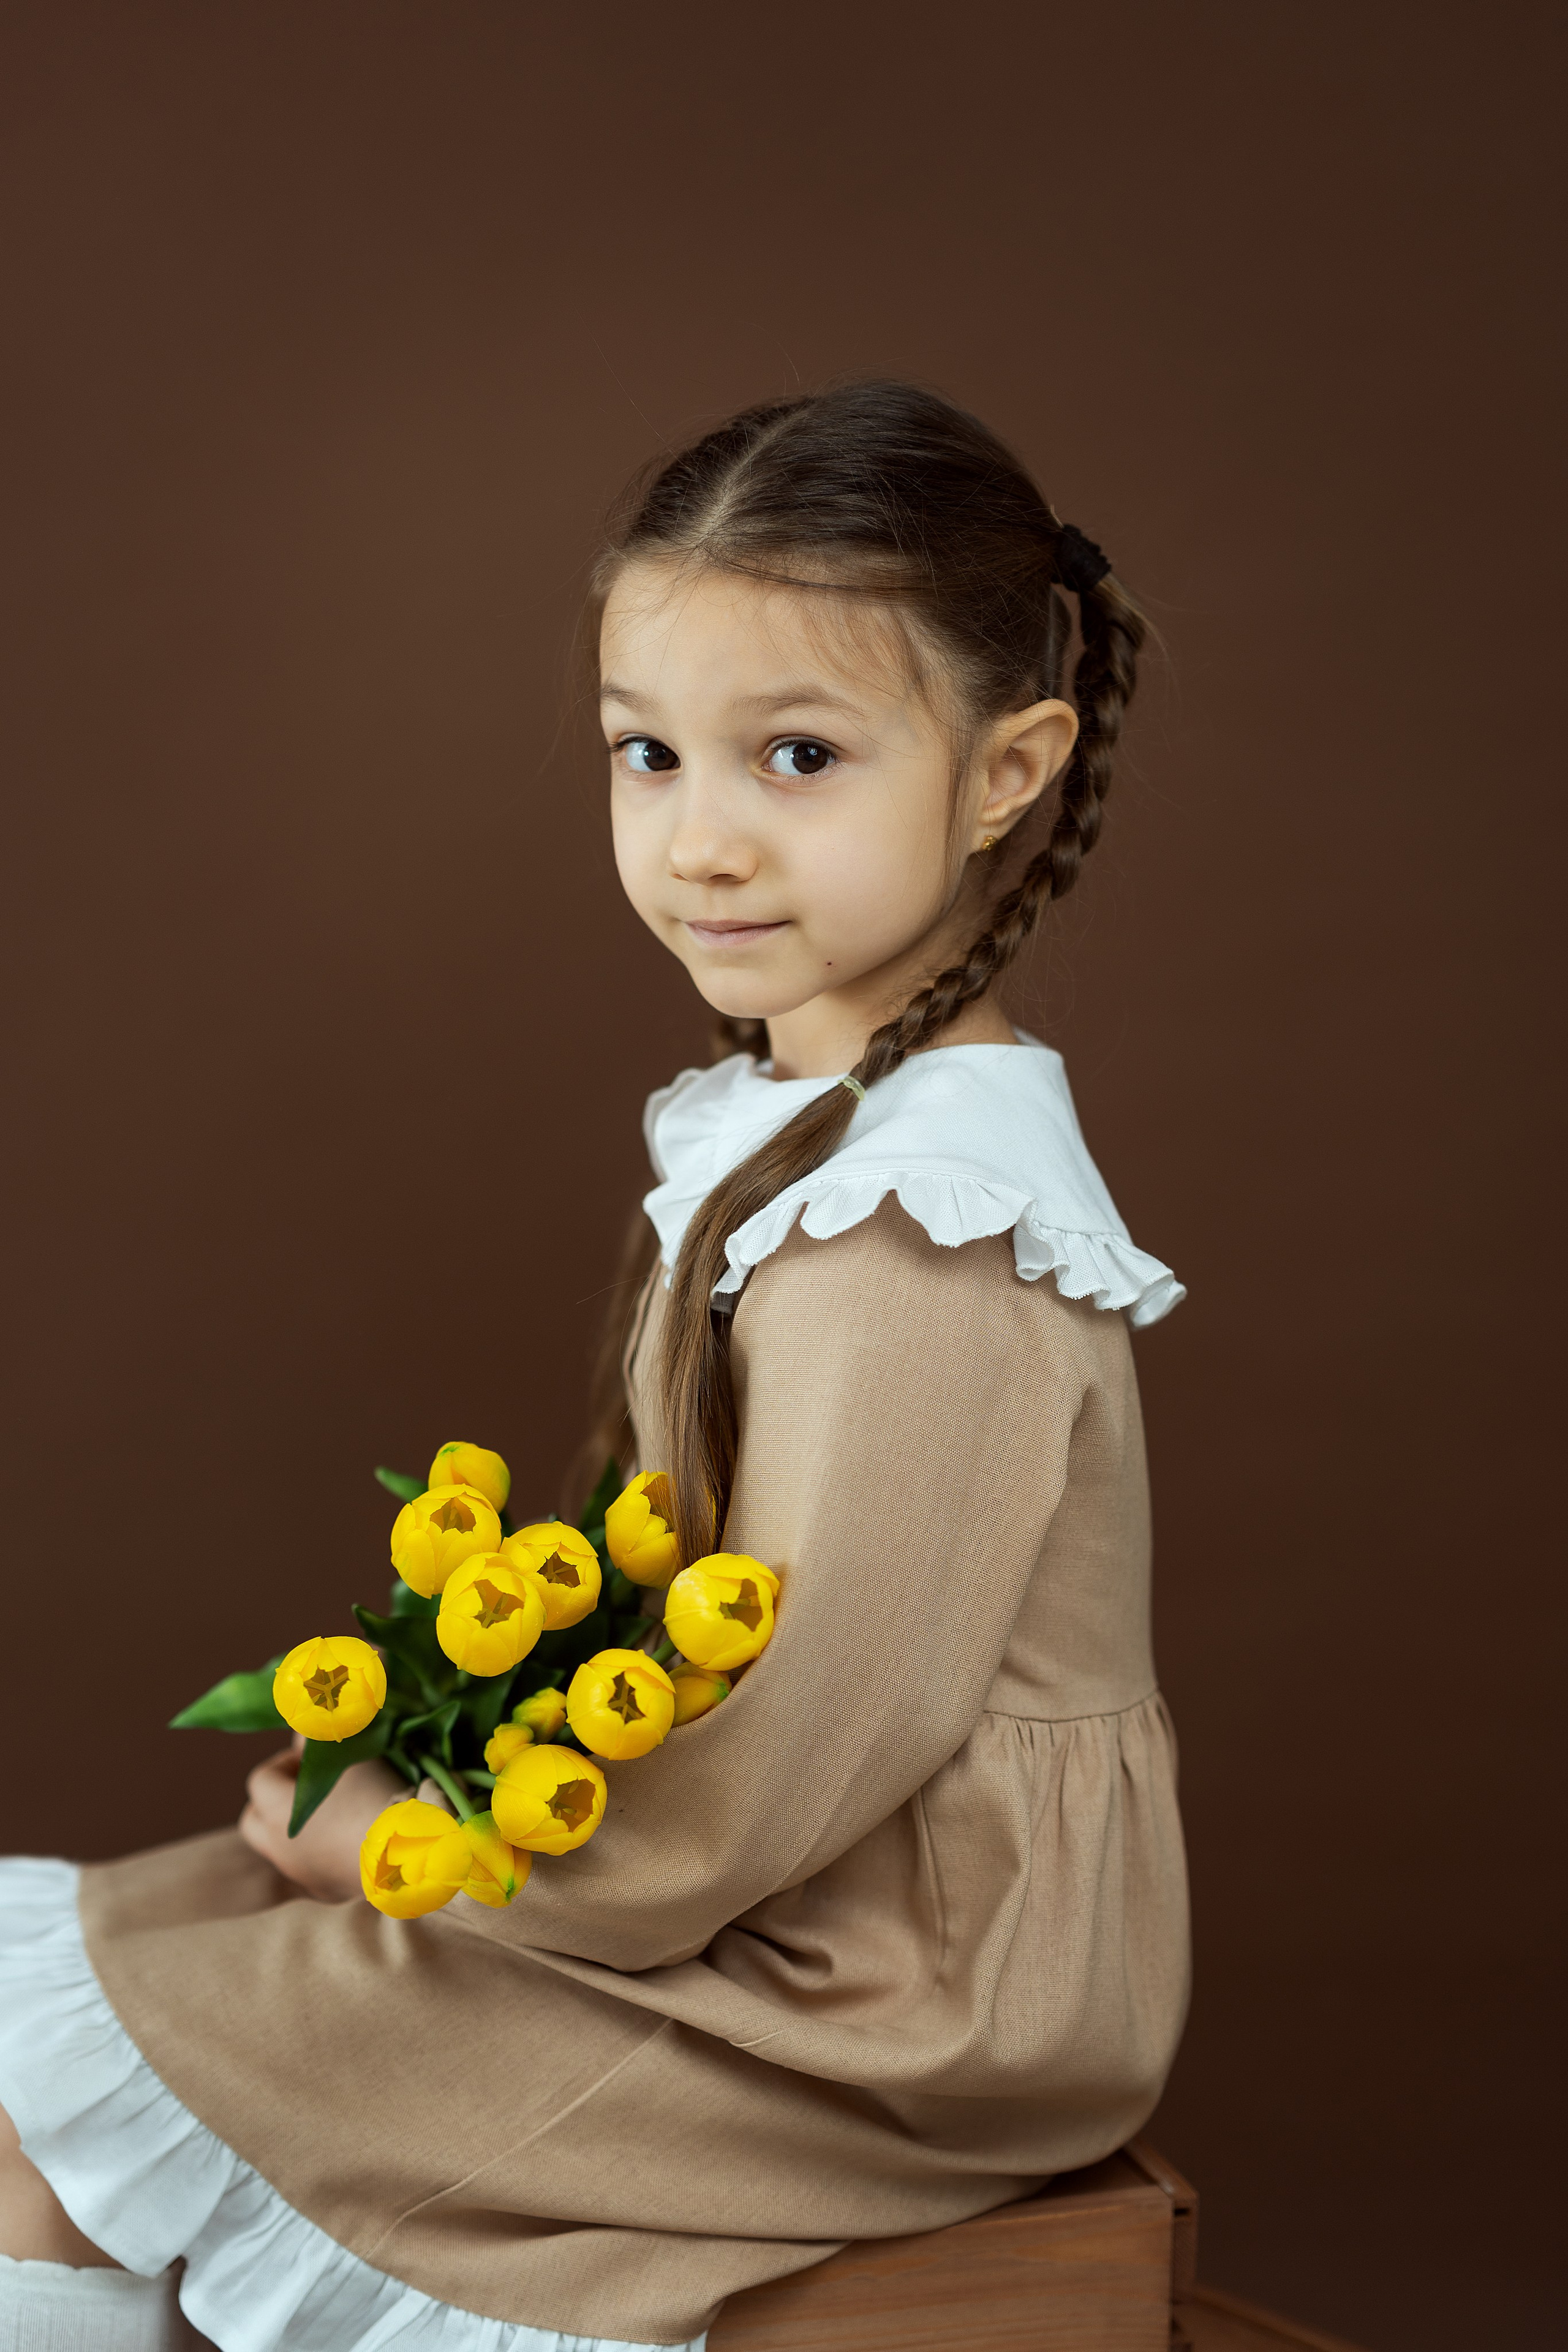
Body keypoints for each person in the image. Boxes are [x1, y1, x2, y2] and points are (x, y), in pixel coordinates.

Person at [0, 382, 1190, 2352]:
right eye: (649, 755)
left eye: (797, 755)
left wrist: (387, 1834)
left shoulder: (922, 1240)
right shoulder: (805, 1123)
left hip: (890, 1996)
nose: (700, 840)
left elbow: (753, 1800)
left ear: (1008, 769)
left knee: (58, 2125)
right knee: (129, 1985)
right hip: (770, 1906)